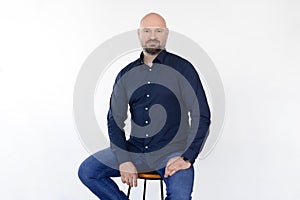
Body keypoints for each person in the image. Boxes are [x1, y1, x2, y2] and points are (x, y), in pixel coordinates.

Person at [78, 12, 211, 200]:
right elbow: (114, 121)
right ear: (139, 34)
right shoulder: (126, 74)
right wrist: (124, 159)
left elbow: (201, 116)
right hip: (135, 151)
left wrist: (187, 157)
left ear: (166, 34)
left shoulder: (183, 69)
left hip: (172, 153)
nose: (153, 36)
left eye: (158, 31)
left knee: (180, 196)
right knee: (88, 171)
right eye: (147, 31)